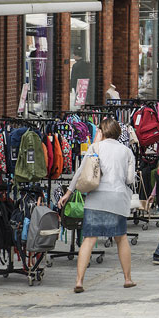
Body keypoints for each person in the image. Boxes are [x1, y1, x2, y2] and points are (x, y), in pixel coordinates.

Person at [58, 118, 137, 293]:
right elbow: (130, 179)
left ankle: (79, 281)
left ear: (101, 131)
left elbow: (80, 172)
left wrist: (68, 193)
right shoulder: (127, 151)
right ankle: (127, 278)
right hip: (117, 198)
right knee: (121, 238)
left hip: (96, 198)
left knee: (89, 239)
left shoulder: (95, 148)